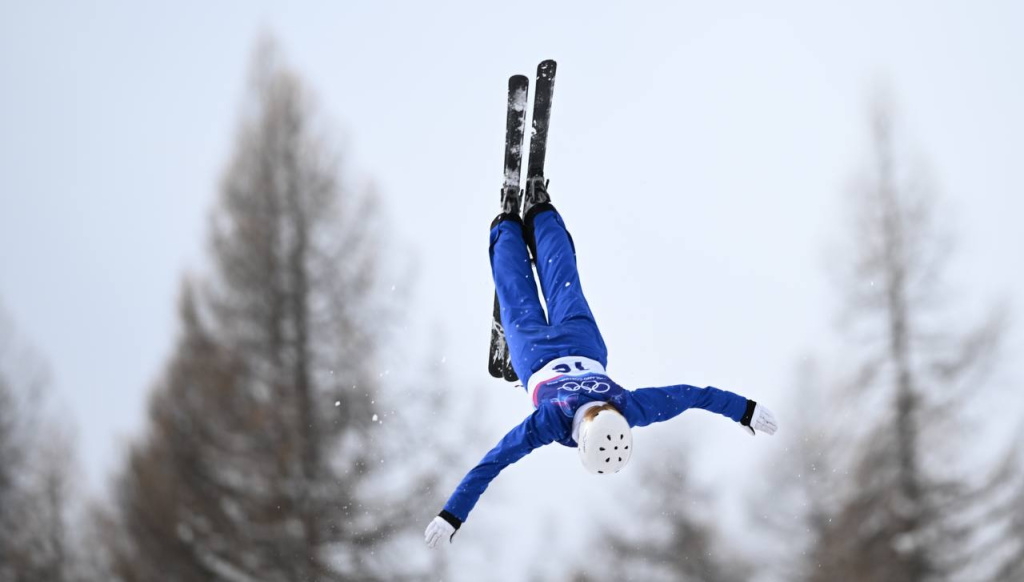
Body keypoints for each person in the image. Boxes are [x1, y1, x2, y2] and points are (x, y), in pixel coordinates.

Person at [424, 180, 778, 549]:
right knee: (526, 287)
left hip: (576, 343)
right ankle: (523, 218)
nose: (608, 404)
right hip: (543, 350)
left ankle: (525, 216)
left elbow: (693, 396)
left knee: (554, 279)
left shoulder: (620, 410)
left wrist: (745, 411)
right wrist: (745, 410)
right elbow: (495, 460)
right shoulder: (561, 420)